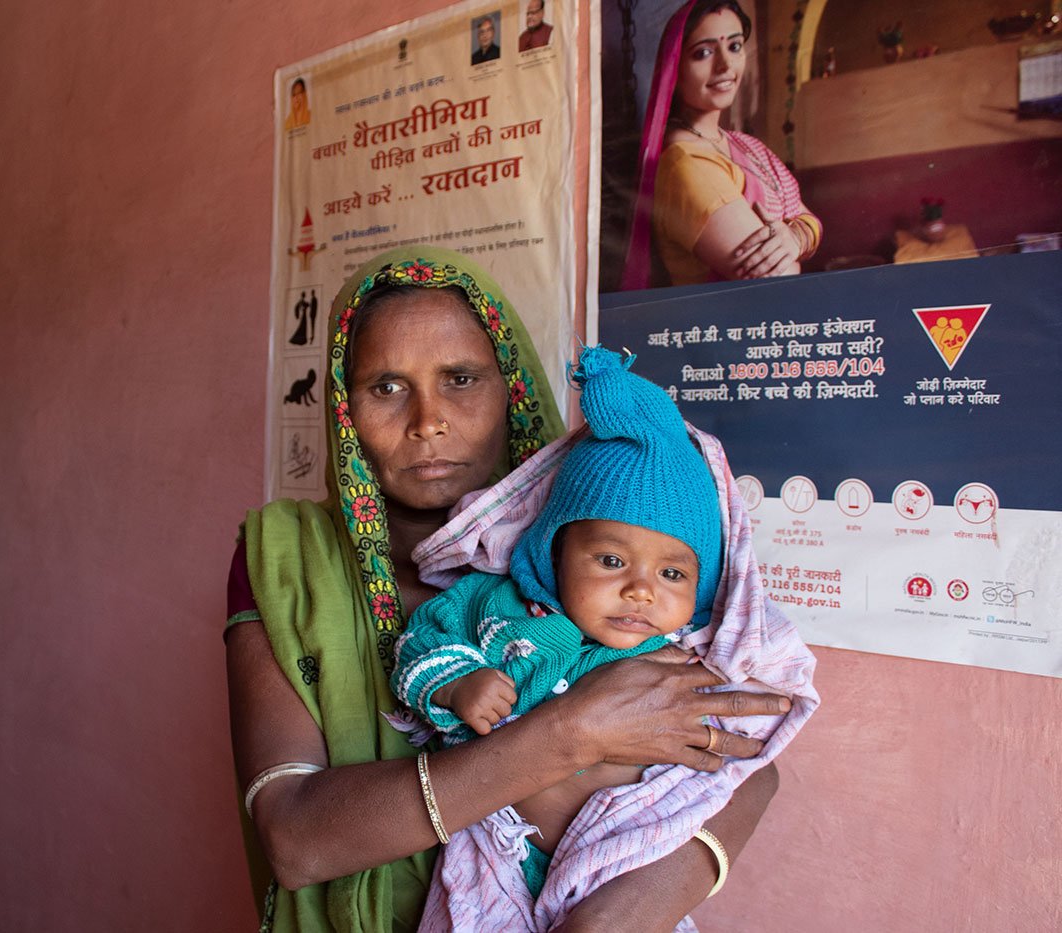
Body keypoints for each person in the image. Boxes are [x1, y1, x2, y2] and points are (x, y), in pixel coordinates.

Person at [226, 247, 792, 932]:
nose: (427, 418)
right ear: (344, 408)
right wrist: (569, 734)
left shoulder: (611, 542)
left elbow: (746, 760)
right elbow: (296, 836)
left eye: (460, 377)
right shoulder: (284, 557)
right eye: (386, 386)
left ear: (511, 385)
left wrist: (616, 913)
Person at [392, 346, 817, 927]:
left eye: (672, 574)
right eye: (611, 560)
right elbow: (420, 643)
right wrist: (457, 684)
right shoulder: (498, 610)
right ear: (555, 552)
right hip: (499, 858)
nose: (641, 590)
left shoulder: (691, 655)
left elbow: (758, 718)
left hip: (629, 873)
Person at [620, 0, 823, 291]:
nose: (725, 65)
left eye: (735, 46)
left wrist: (795, 237)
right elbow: (779, 277)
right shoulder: (685, 163)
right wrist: (798, 239)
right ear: (674, 69)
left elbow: (811, 220)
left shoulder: (744, 144)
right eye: (703, 53)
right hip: (723, 327)